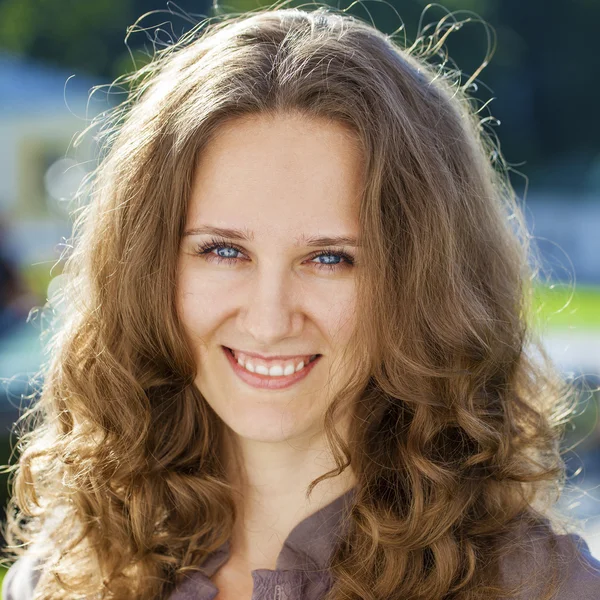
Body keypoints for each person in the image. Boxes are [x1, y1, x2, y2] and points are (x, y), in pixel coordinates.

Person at [2, 5, 600, 600]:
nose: (268, 320)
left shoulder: (544, 590)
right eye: (222, 251)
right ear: (145, 268)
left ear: (423, 287)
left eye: (331, 258)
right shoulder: (62, 578)